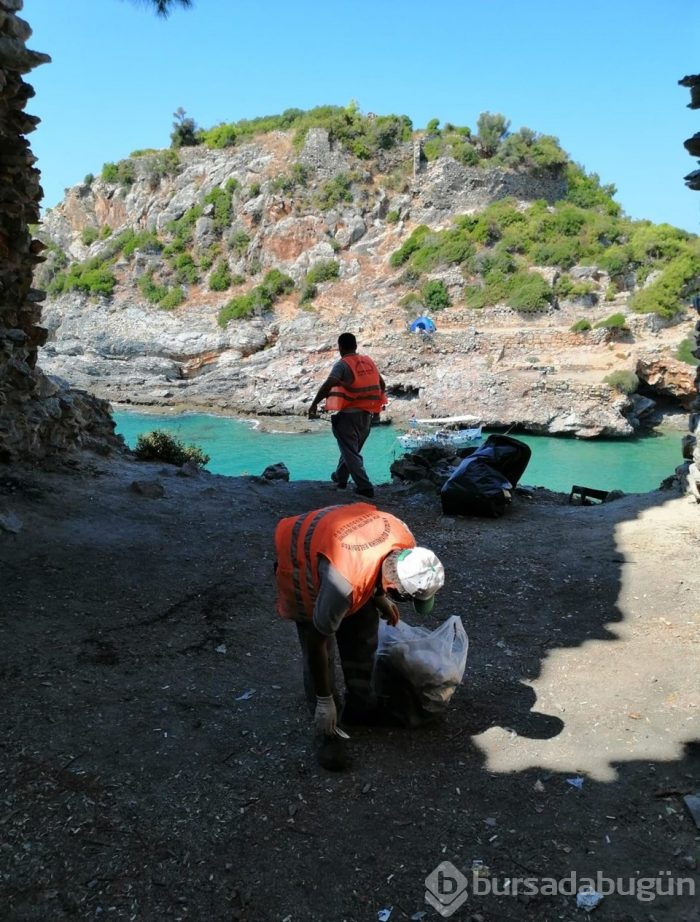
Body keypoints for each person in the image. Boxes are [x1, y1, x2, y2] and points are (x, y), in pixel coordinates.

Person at [274, 502, 445, 770]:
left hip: (343, 549)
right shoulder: (343, 586)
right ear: (394, 587)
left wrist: (378, 597)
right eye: (405, 597)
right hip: (303, 554)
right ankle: (327, 732)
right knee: (321, 649)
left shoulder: (405, 543)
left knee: (364, 629)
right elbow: (316, 641)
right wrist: (324, 700)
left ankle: (360, 704)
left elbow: (379, 563)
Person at [307, 332, 386, 498]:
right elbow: (382, 384)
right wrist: (377, 409)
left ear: (340, 347)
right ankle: (341, 479)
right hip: (367, 416)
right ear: (356, 346)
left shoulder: (342, 365)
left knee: (350, 452)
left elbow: (329, 383)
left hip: (348, 416)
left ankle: (365, 486)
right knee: (351, 450)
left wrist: (314, 404)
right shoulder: (368, 362)